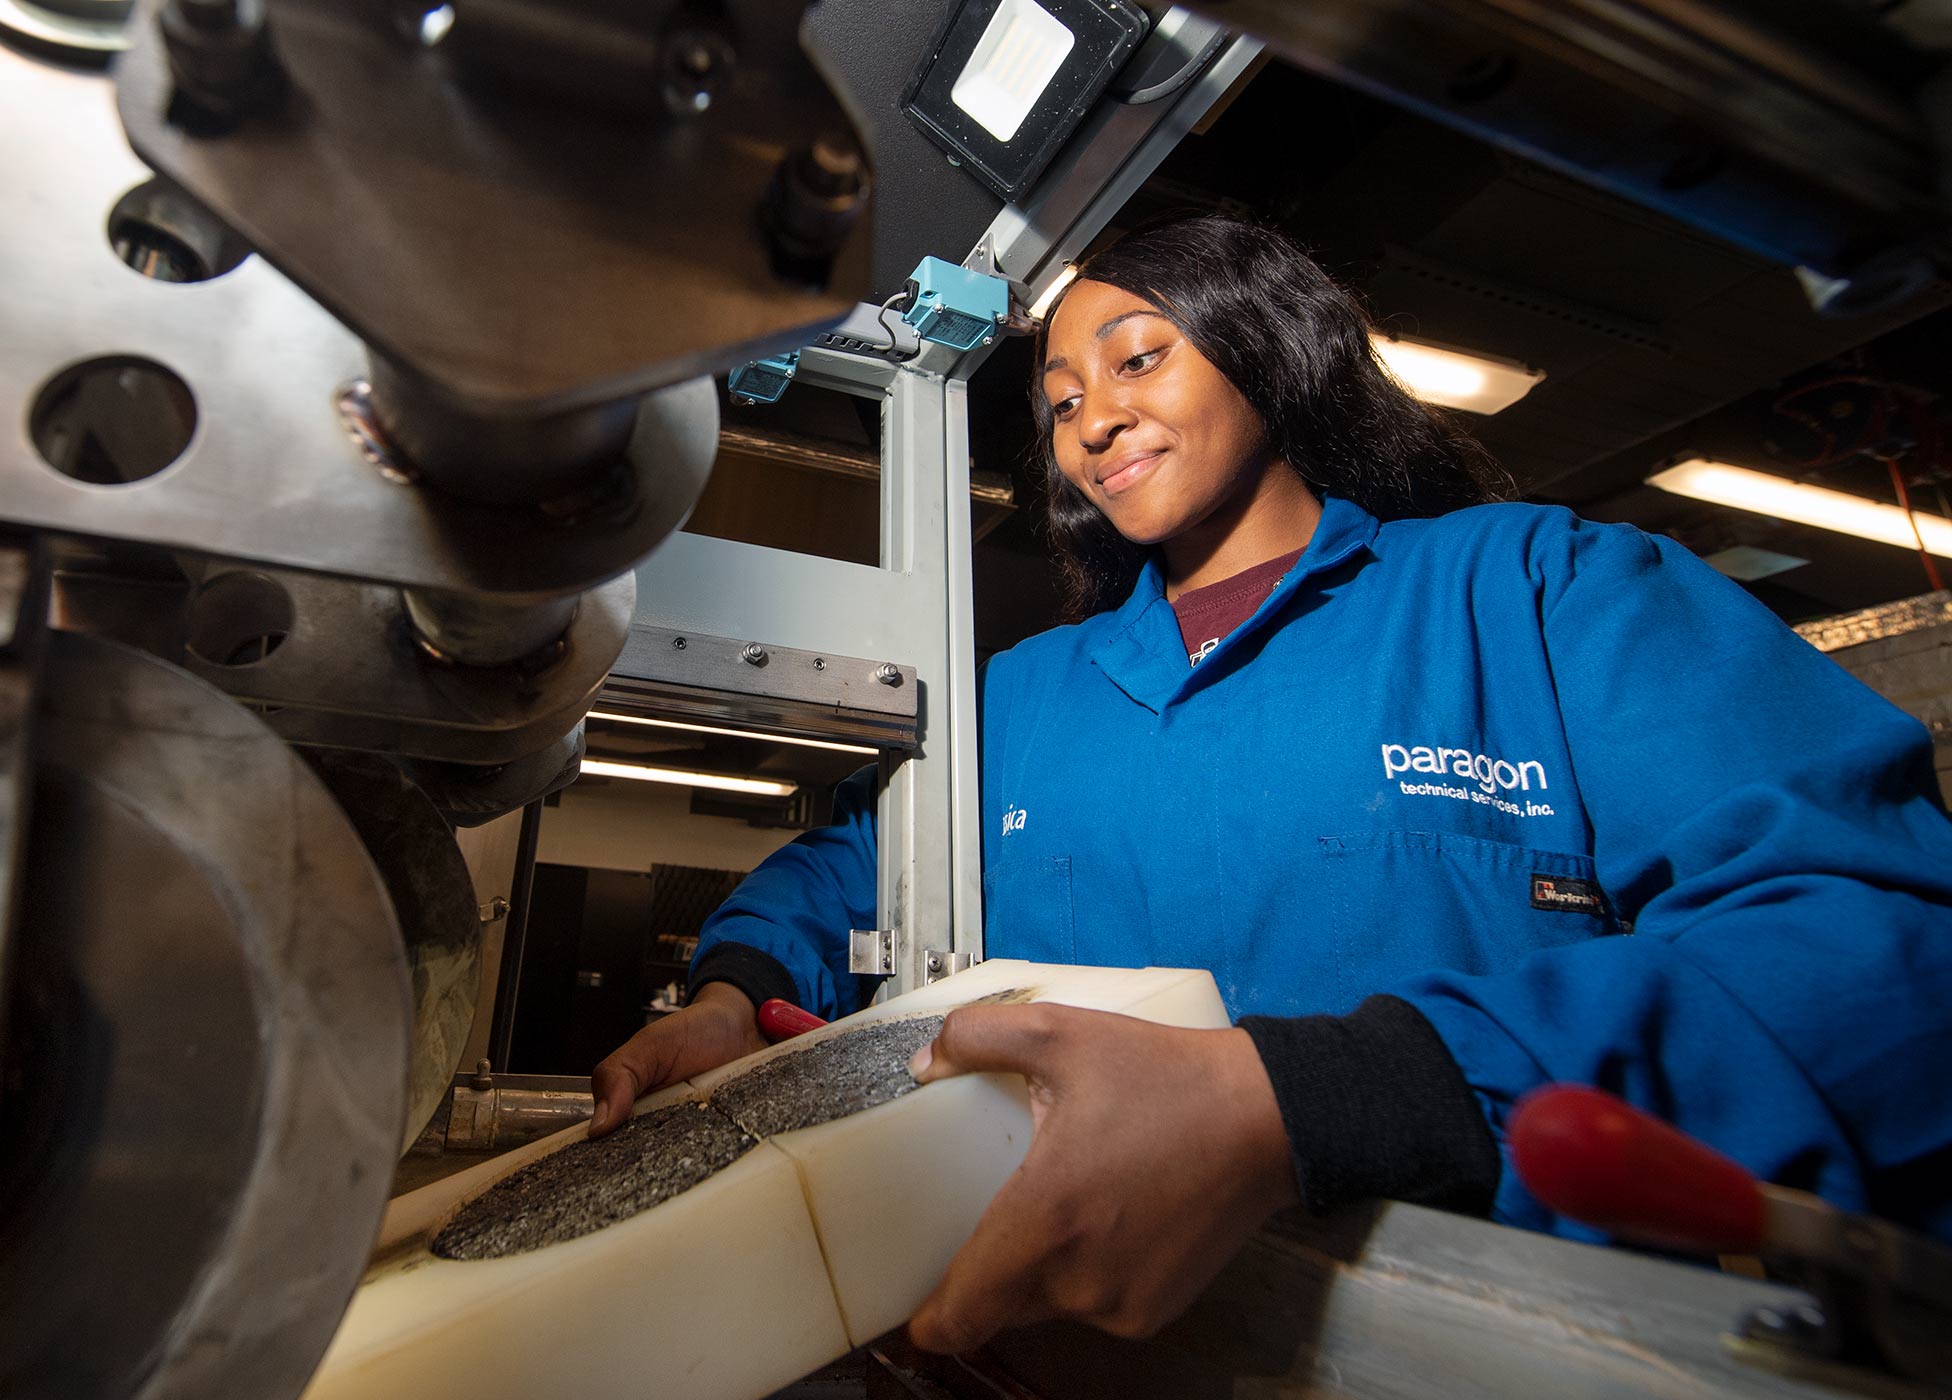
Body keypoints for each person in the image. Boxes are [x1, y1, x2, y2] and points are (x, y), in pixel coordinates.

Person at [588, 214, 1952, 1354]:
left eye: (1137, 359)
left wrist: (1328, 1096)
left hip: (1474, 1345)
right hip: (1055, 1348)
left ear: (1268, 351)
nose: (1091, 421)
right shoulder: (1020, 691)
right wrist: (727, 992)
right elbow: (850, 874)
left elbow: (1883, 948)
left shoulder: (1534, 591)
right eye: (1057, 402)